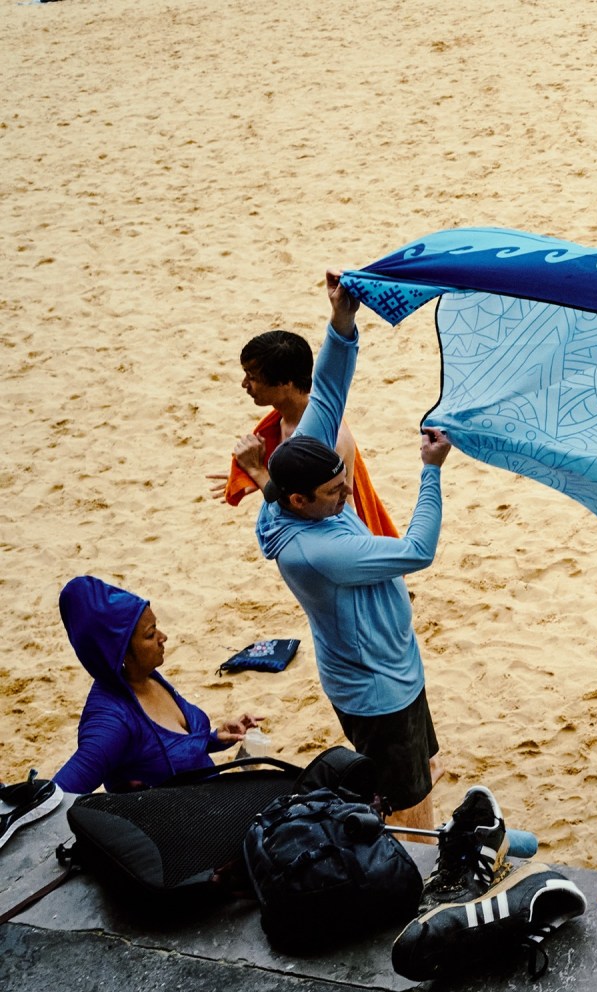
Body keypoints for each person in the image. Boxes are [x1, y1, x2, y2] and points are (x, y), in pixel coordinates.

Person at [253, 271, 451, 831]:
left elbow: (329, 390)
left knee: (418, 772)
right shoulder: (319, 552)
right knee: (404, 808)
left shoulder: (298, 473)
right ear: (298, 499)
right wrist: (431, 471)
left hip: (390, 665)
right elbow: (417, 550)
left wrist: (342, 320)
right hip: (379, 690)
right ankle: (418, 858)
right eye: (336, 492)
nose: (348, 497)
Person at [54, 575, 261, 793]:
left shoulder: (147, 676)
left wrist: (214, 738)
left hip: (214, 801)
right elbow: (56, 795)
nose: (163, 637)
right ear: (121, 654)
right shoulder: (112, 722)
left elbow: (163, 752)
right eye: (151, 634)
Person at [208, 329, 398, 537]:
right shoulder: (289, 418)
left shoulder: (326, 441)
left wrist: (257, 471)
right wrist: (268, 475)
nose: (245, 384)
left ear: (285, 383)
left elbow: (312, 510)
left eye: (252, 378)